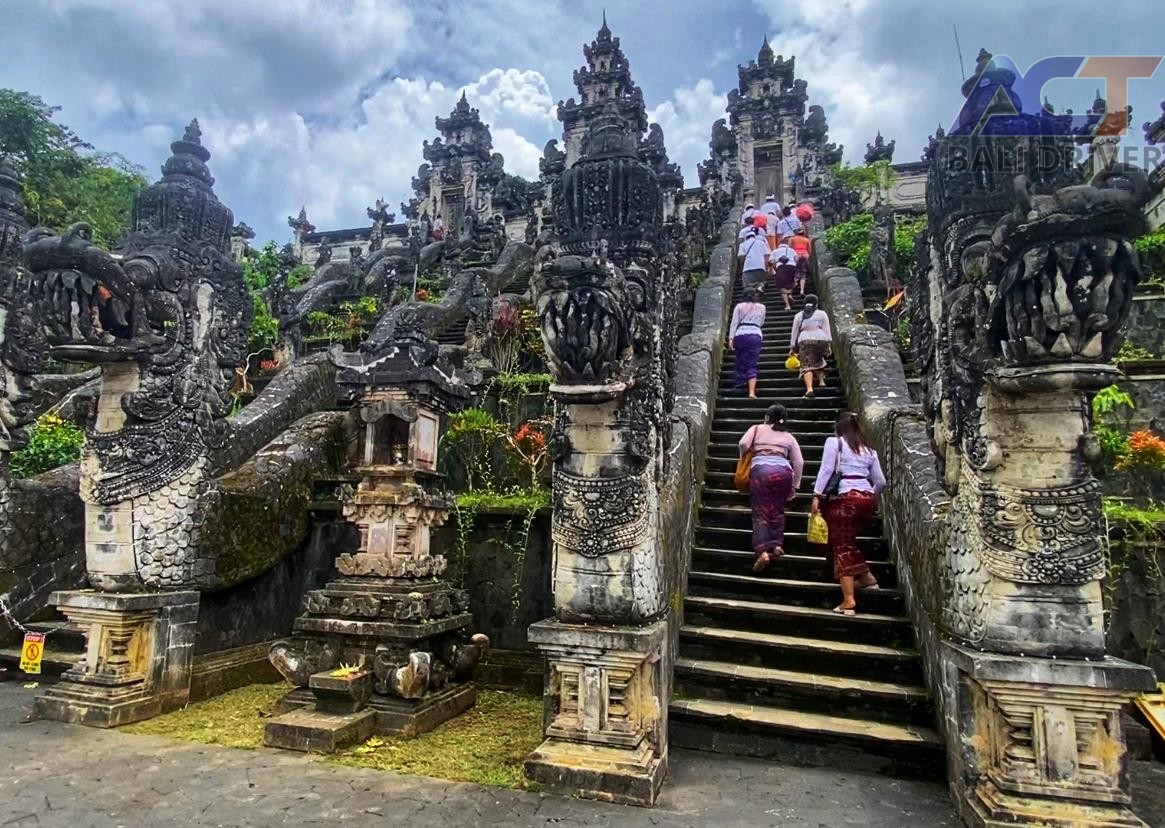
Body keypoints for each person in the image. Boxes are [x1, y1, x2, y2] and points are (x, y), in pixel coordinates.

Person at [811, 412, 885, 615]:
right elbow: (881, 482)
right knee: (847, 541)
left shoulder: (834, 443)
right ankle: (866, 576)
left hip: (845, 499)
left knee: (841, 545)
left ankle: (849, 600)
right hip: (866, 500)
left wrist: (816, 495)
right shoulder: (869, 451)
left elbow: (826, 469)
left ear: (838, 428)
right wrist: (868, 495)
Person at [740, 404, 804, 572]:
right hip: (783, 473)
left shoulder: (756, 429)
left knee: (760, 512)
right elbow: (799, 462)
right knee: (777, 509)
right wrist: (795, 485)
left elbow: (743, 444)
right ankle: (776, 545)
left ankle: (762, 552)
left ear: (767, 417)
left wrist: (745, 457)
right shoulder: (788, 436)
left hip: (761, 472)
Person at [789, 294, 832, 397]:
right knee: (818, 359)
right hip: (821, 339)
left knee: (807, 365)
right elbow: (827, 329)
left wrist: (792, 347)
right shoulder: (822, 314)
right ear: (816, 304)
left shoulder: (799, 315)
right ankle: (821, 381)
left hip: (805, 340)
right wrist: (829, 344)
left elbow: (794, 332)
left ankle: (809, 389)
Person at [729, 286, 766, 398]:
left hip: (740, 334)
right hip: (755, 335)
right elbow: (761, 322)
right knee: (752, 362)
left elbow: (734, 323)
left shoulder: (739, 306)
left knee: (740, 359)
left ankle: (740, 381)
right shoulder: (762, 307)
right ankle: (751, 392)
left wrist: (731, 338)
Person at [738, 215, 770, 291]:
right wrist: (767, 267)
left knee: (747, 284)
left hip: (748, 267)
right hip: (760, 266)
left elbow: (741, 257)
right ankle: (759, 288)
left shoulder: (743, 244)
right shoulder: (761, 243)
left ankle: (752, 293)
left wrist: (741, 267)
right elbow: (767, 255)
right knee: (760, 281)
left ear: (746, 237)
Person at [770, 240, 798, 310]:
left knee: (782, 286)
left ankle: (787, 305)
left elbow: (771, 261)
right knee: (792, 282)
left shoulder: (775, 251)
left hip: (781, 267)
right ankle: (790, 294)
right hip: (792, 266)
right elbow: (796, 259)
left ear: (779, 245)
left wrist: (775, 268)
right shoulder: (792, 250)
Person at [789, 227, 812, 297]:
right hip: (804, 255)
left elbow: (790, 248)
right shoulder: (807, 240)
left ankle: (794, 284)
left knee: (795, 271)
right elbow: (809, 250)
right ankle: (802, 290)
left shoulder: (792, 239)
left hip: (795, 255)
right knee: (803, 273)